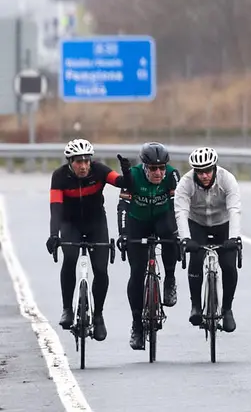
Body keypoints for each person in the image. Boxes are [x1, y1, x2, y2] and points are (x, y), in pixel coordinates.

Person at [46, 138, 128, 341]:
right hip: (70, 224)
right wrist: (54, 235)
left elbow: (122, 183)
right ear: (70, 162)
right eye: (78, 162)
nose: (83, 166)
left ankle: (98, 315)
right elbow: (55, 209)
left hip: (95, 224)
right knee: (70, 258)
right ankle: (67, 308)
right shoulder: (59, 177)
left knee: (100, 269)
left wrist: (126, 172)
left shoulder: (99, 170)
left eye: (86, 161)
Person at [117, 142, 182, 351]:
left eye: (162, 167)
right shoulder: (133, 176)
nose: (158, 172)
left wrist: (179, 234)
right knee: (136, 273)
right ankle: (137, 325)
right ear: (144, 167)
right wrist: (123, 234)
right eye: (153, 168)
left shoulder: (172, 176)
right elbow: (123, 207)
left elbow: (177, 207)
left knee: (170, 235)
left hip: (163, 217)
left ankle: (169, 279)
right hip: (138, 221)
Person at [175, 146, 242, 333]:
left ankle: (227, 309)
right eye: (200, 172)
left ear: (214, 167)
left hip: (223, 223)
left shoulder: (227, 180)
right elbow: (181, 212)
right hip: (197, 223)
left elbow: (234, 210)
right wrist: (186, 239)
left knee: (228, 265)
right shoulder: (185, 183)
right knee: (195, 259)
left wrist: (234, 238)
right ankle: (195, 305)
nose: (204, 175)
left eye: (207, 171)